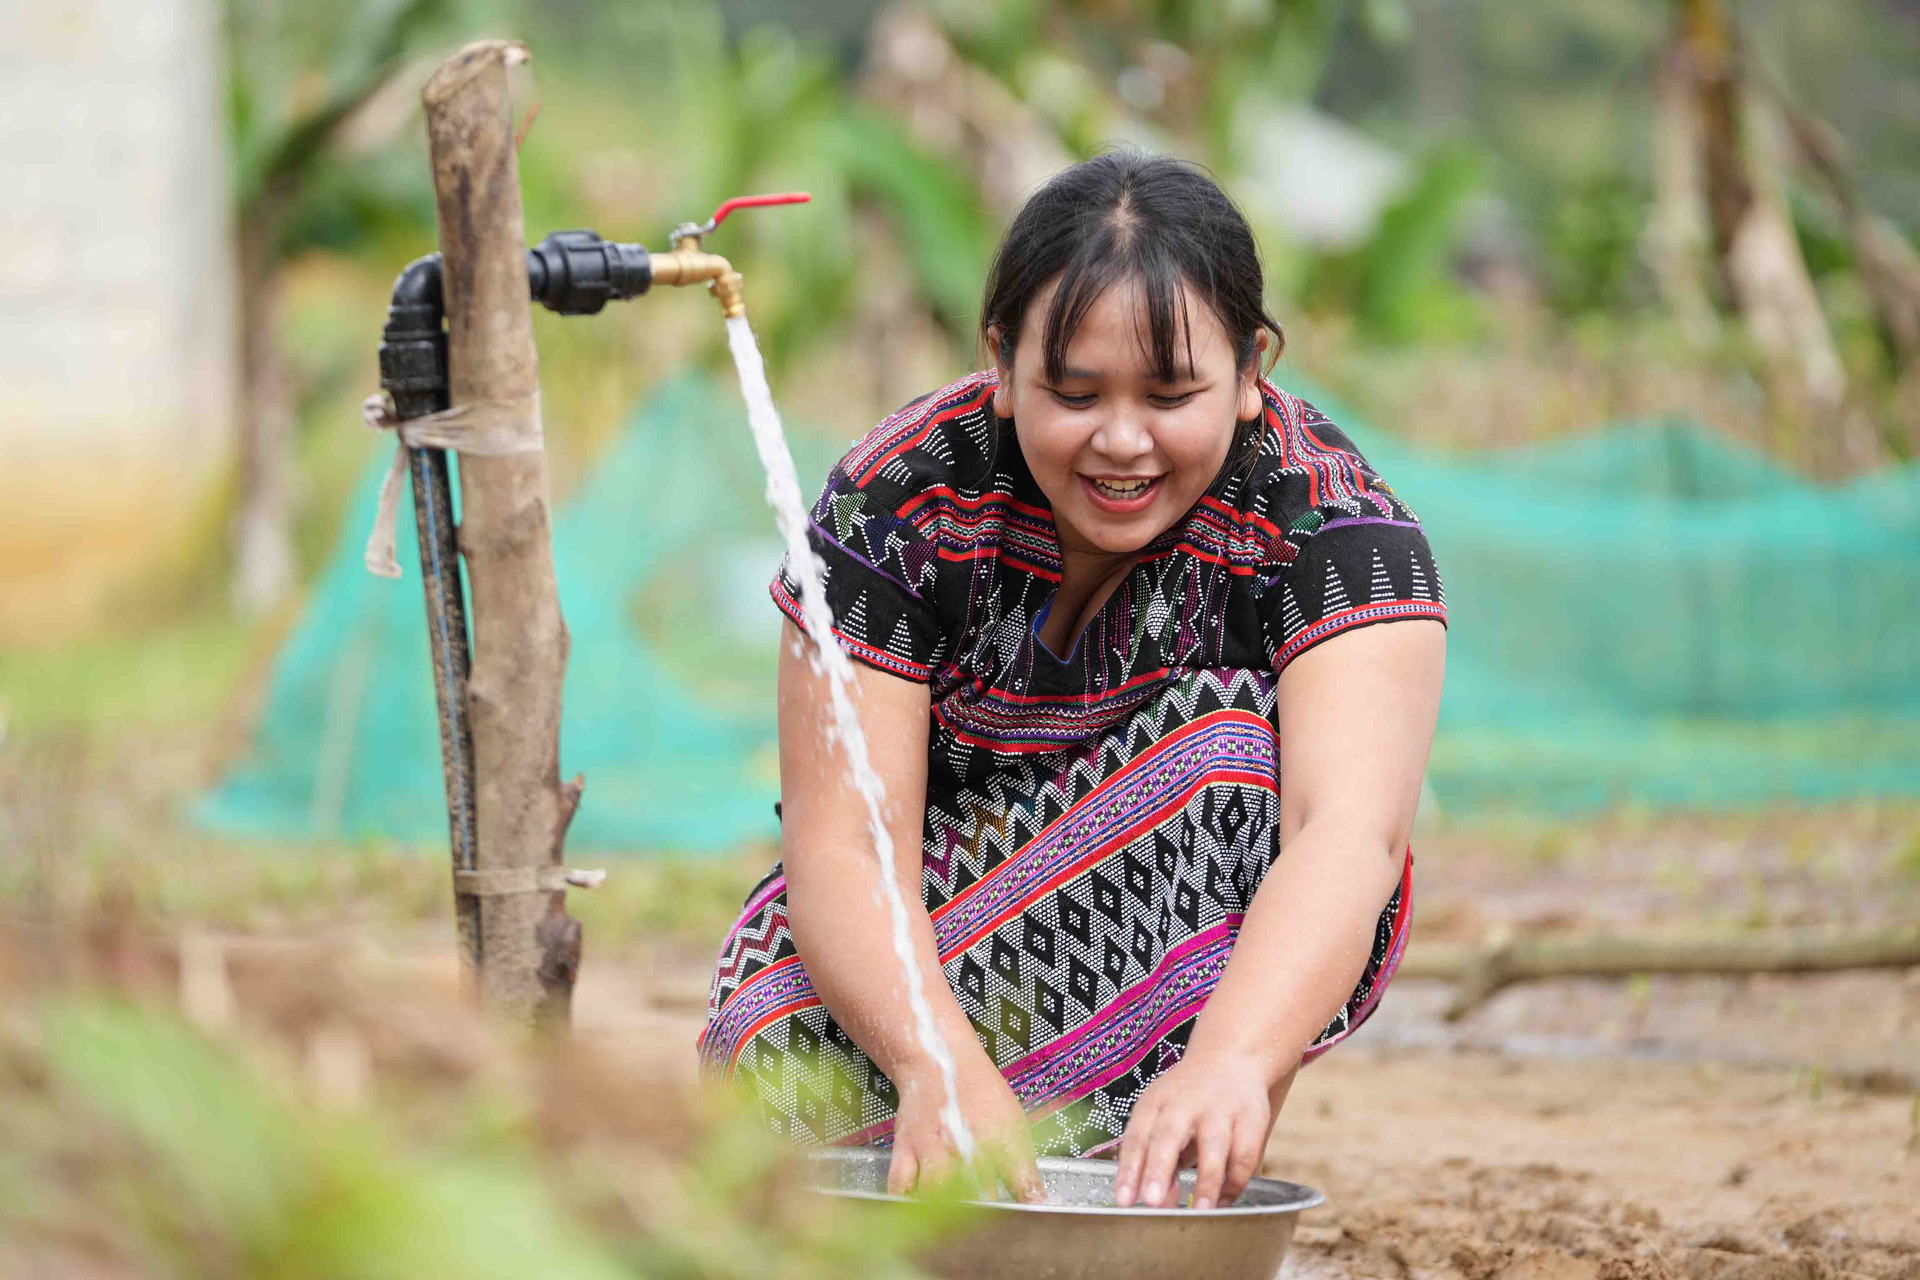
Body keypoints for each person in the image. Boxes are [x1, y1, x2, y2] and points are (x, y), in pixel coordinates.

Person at [700, 151, 1446, 1213]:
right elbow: (845, 840)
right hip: (904, 975)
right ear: (1000, 364)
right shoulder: (901, 496)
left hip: (1199, 990)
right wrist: (933, 1062)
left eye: (1173, 392)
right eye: (1076, 392)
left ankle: (1161, 1189)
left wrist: (1232, 1060)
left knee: (1229, 753)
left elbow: (1348, 834)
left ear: (1251, 372)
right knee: (765, 1072)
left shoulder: (1328, 527)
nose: (1123, 441)